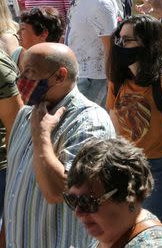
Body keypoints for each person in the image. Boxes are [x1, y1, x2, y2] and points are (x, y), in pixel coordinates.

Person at [5, 43, 115, 248]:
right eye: (21, 72)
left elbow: (59, 191)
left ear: (59, 76)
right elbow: (14, 187)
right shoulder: (26, 113)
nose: (22, 81)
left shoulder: (90, 121)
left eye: (30, 72)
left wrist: (41, 136)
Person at [106, 15, 162, 226]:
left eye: (127, 40)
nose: (120, 45)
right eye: (118, 39)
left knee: (150, 233)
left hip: (160, 170)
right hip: (126, 166)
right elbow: (114, 129)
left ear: (147, 44)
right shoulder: (117, 80)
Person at [65, 137, 162, 247]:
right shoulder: (115, 233)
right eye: (72, 200)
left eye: (88, 201)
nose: (78, 212)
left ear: (130, 196)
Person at [64, 0, 120, 105]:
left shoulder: (101, 2)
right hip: (78, 74)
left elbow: (110, 45)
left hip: (93, 80)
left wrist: (111, 84)